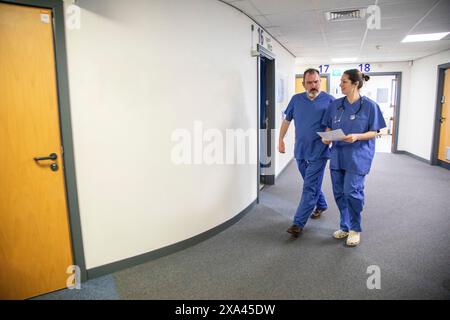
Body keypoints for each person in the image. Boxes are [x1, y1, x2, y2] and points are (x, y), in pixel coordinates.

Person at [321, 69, 386, 246]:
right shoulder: (335, 105)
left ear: (355, 84)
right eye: (340, 82)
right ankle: (345, 226)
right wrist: (326, 138)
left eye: (344, 82)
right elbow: (328, 127)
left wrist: (357, 136)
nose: (340, 85)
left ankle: (355, 229)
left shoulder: (370, 106)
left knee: (352, 192)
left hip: (358, 155)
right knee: (340, 193)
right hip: (338, 155)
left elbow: (374, 132)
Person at [279, 69, 335, 238]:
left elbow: (333, 124)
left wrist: (330, 137)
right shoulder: (296, 100)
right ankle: (322, 204)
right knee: (311, 182)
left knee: (309, 186)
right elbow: (287, 120)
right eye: (309, 82)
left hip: (320, 151)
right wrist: (280, 139)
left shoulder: (330, 100)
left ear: (320, 82)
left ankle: (298, 223)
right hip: (301, 150)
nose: (313, 85)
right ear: (303, 84)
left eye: (316, 81)